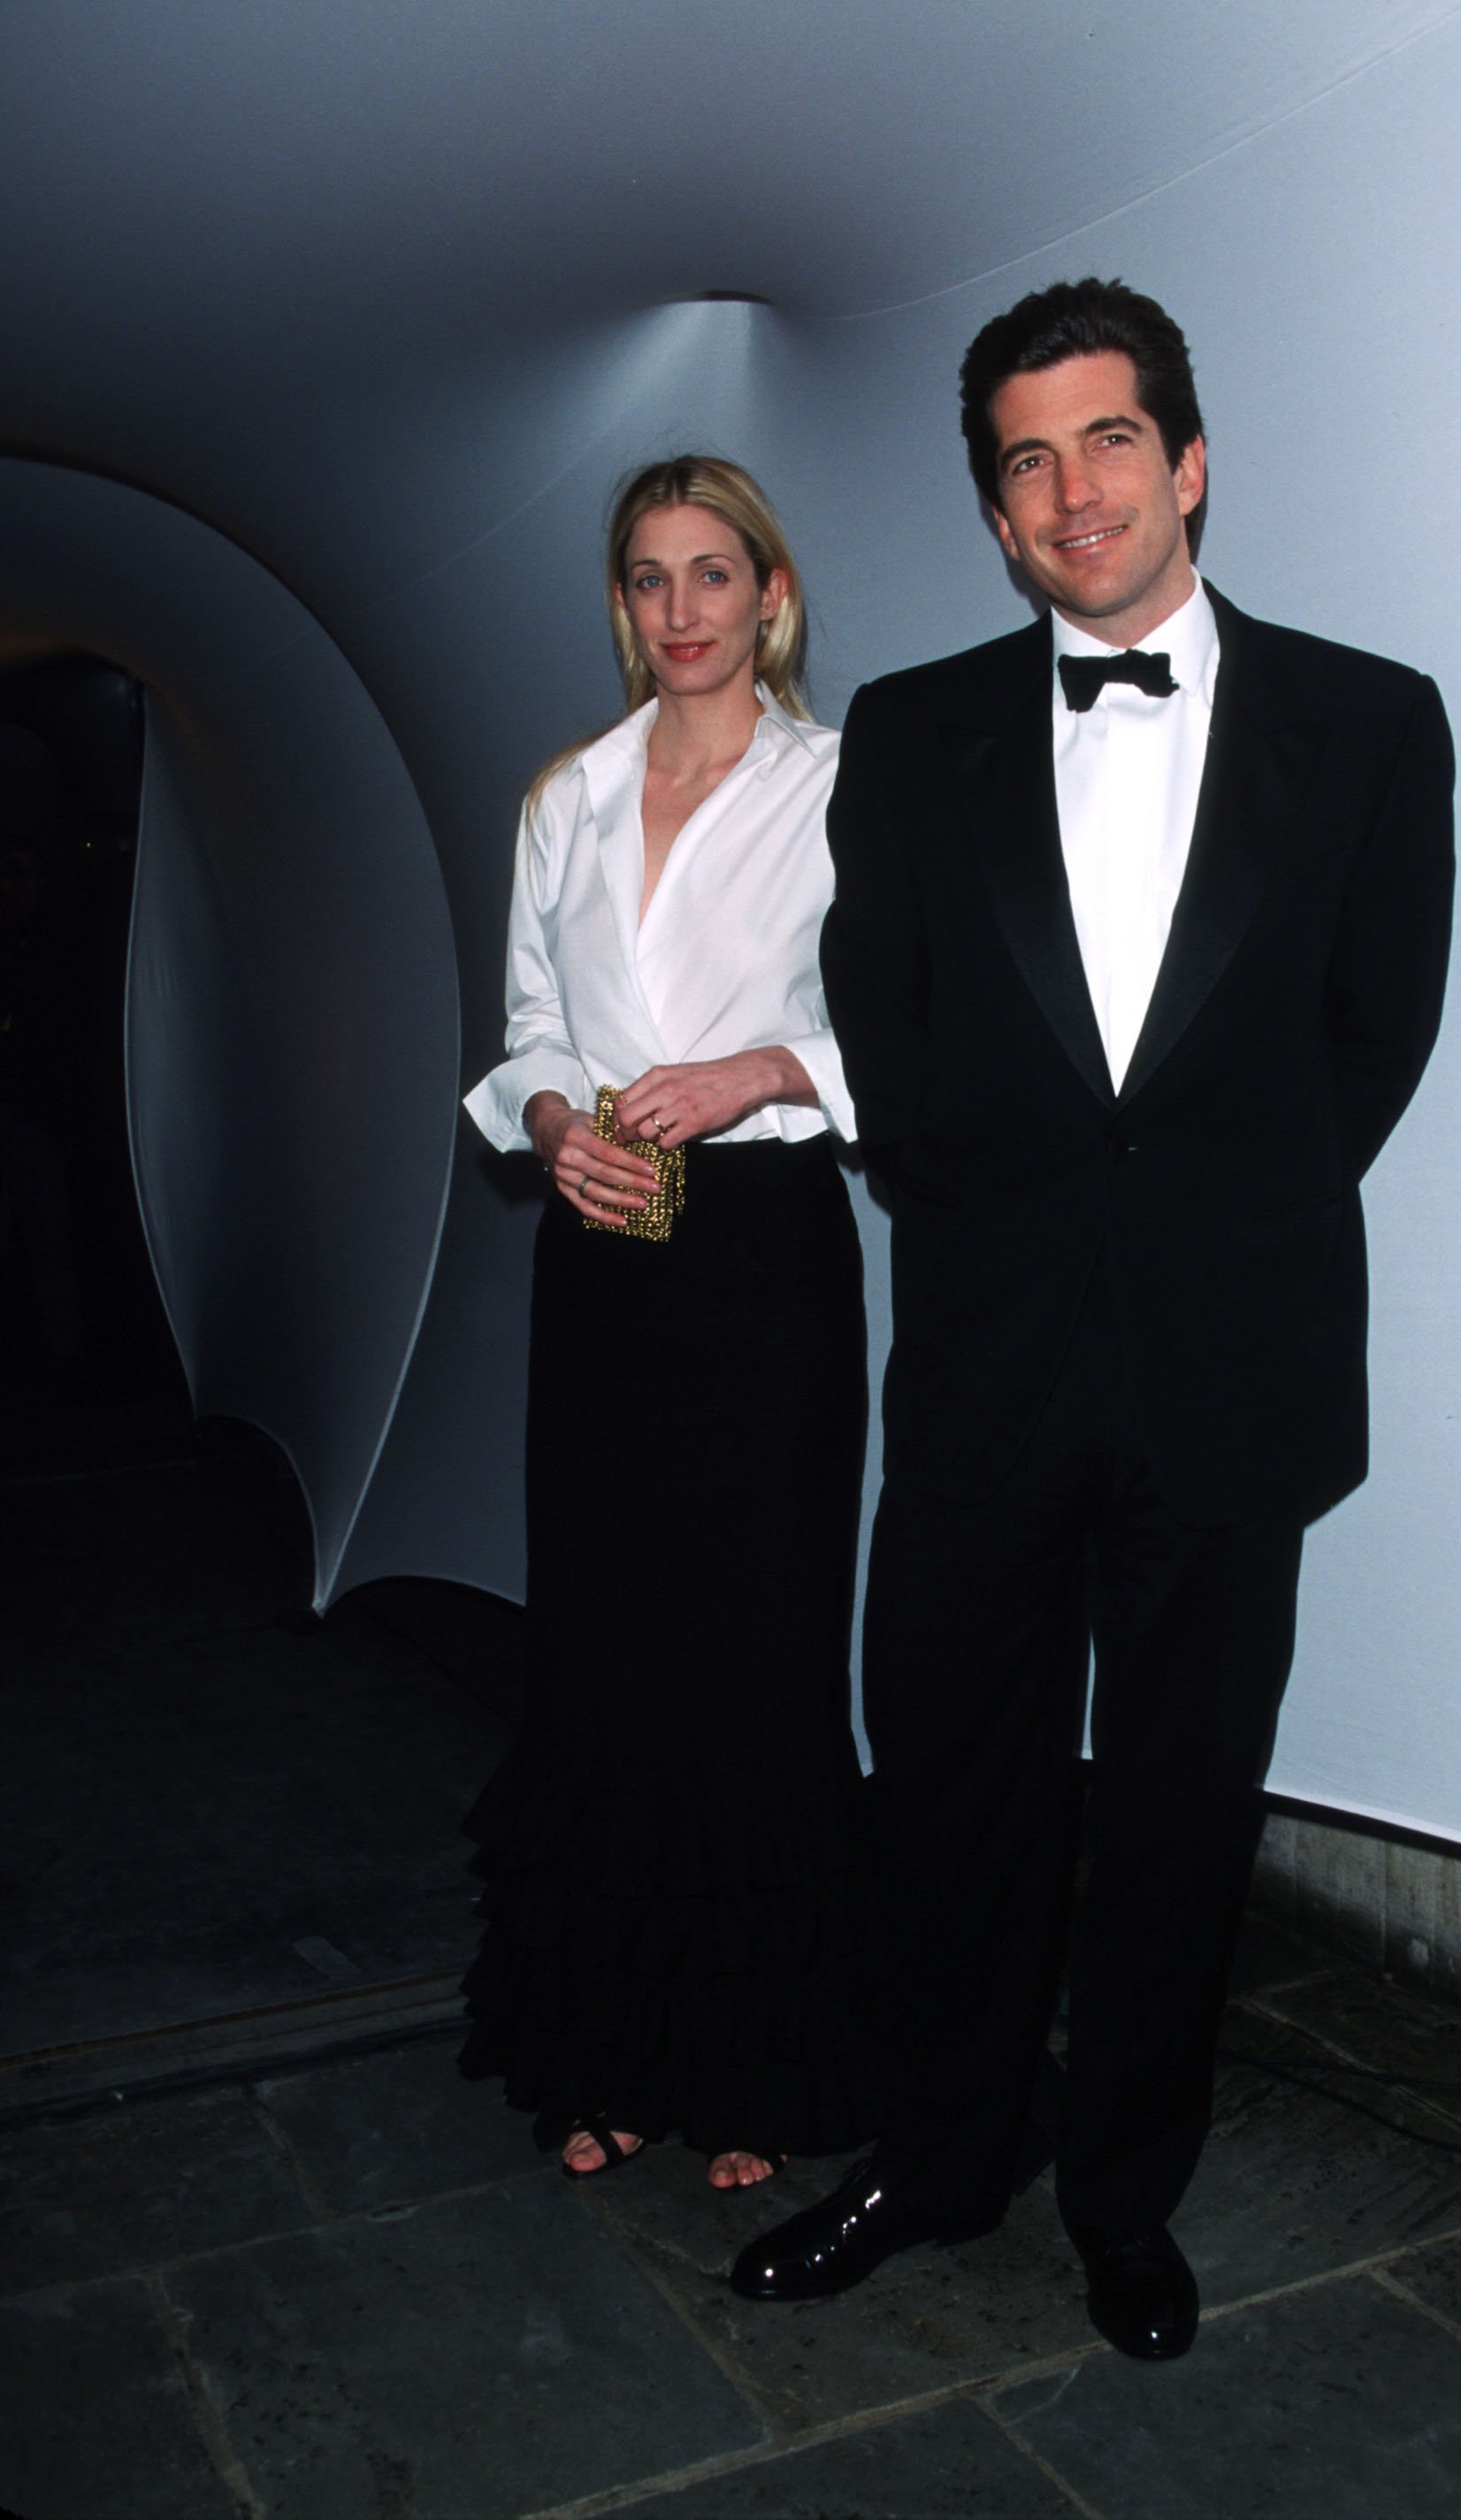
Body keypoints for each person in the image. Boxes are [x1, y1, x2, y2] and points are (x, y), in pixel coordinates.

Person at [730, 279, 1454, 2350]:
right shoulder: (917, 730)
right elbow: (890, 1022)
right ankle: (941, 2158)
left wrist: (1204, 1220)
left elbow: (1365, 1042)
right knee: (945, 1788)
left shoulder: (1370, 720)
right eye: (1026, 460)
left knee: (1174, 1811)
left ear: (1189, 459)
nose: (1072, 490)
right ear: (995, 513)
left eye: (1108, 439)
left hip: (1237, 1375)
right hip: (983, 1367)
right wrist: (999, 1219)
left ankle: (1126, 2199)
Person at [460, 456, 875, 2193]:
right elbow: (533, 1025)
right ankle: (606, 2049)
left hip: (767, 1258)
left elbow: (916, 1034)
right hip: (604, 1260)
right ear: (623, 604)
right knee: (606, 1648)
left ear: (771, 595)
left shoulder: (846, 788)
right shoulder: (567, 793)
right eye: (651, 578)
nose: (684, 609)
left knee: (755, 1652)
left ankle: (761, 2068)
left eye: (717, 574)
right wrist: (558, 1134)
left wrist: (767, 1069)